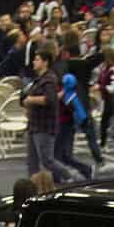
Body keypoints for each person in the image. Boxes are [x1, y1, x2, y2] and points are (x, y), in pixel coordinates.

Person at [23, 45, 76, 184]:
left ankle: (70, 178)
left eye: (37, 59)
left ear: (45, 62)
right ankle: (33, 187)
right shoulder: (39, 79)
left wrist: (30, 100)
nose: (34, 62)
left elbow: (50, 99)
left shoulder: (50, 79)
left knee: (47, 160)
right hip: (34, 125)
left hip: (44, 126)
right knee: (31, 161)